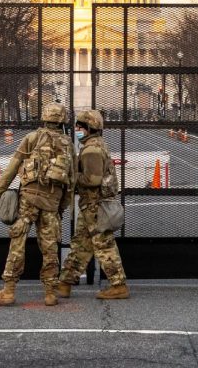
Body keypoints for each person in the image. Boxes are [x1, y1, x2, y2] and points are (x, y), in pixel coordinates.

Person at [0, 102, 75, 306]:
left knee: (18, 241)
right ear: (62, 120)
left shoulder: (32, 138)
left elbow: (13, 166)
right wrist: (62, 206)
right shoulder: (67, 143)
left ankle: (9, 289)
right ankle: (50, 292)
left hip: (28, 198)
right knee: (50, 246)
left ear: (44, 118)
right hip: (52, 202)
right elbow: (71, 181)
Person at [57, 109, 129, 300]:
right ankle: (65, 283)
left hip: (95, 206)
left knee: (103, 245)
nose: (77, 129)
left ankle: (118, 285)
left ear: (89, 128)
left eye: (80, 126)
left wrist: (71, 175)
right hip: (92, 206)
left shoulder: (91, 150)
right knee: (81, 244)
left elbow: (93, 179)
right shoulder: (95, 145)